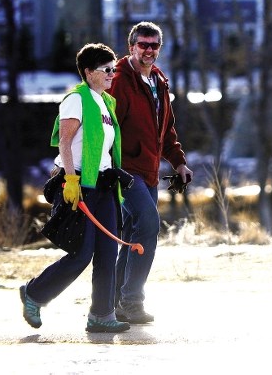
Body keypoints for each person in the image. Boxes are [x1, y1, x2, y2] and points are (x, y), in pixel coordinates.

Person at [20, 43, 130, 333]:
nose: (111, 74)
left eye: (114, 69)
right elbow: (65, 142)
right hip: (79, 183)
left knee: (108, 252)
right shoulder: (76, 99)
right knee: (82, 253)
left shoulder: (106, 103)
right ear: (88, 72)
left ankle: (101, 315)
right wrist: (70, 179)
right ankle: (34, 294)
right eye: (106, 70)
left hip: (104, 185)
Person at [109, 21, 193, 324]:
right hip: (125, 171)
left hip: (149, 171)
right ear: (131, 46)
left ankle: (114, 302)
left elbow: (165, 129)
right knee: (148, 226)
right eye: (143, 44)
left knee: (134, 236)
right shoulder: (119, 80)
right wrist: (109, 167)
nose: (149, 50)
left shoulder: (158, 80)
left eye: (154, 45)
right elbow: (109, 128)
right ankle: (132, 301)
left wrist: (178, 161)